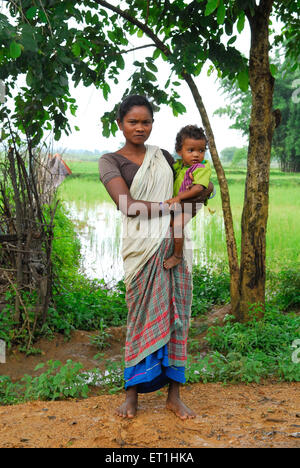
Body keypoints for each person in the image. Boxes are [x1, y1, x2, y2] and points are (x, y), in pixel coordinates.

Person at [98, 95, 213, 420]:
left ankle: (174, 396)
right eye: (133, 121)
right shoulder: (110, 161)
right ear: (120, 124)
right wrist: (170, 205)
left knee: (178, 317)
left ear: (152, 124)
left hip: (174, 246)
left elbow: (192, 187)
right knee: (138, 319)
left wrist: (205, 192)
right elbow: (128, 205)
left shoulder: (162, 156)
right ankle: (131, 396)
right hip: (140, 252)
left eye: (145, 121)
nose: (139, 127)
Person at [163, 125, 212, 270]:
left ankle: (177, 256)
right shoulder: (180, 166)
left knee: (177, 225)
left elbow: (199, 188)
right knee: (171, 224)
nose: (196, 155)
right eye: (191, 150)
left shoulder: (201, 167)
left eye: (201, 150)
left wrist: (178, 198)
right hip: (179, 204)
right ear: (180, 151)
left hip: (190, 205)